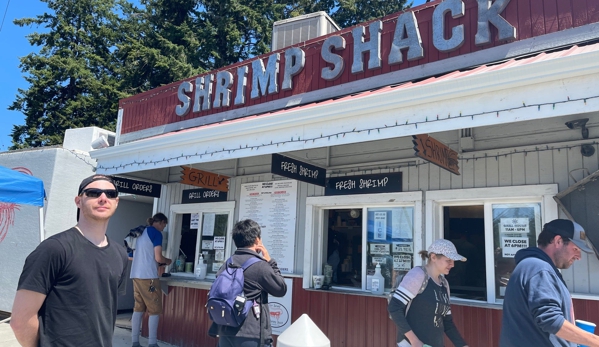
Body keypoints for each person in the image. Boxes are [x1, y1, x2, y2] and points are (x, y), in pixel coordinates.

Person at [10, 174, 128, 347]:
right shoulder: (54, 249)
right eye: (94, 193)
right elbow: (20, 320)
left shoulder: (120, 254)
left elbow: (101, 312)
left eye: (110, 194)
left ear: (116, 202)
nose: (103, 198)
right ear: (78, 201)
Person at [500, 219, 599, 347]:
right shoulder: (539, 268)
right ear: (558, 241)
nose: (579, 257)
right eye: (576, 248)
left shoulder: (536, 267)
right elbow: (551, 320)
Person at [209, 219, 287, 347]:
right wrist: (270, 261)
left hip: (225, 330)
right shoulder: (260, 266)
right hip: (251, 334)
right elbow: (281, 289)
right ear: (257, 240)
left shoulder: (227, 264)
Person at [388, 239, 469, 347]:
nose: (452, 264)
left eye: (453, 261)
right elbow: (394, 307)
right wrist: (414, 341)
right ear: (433, 257)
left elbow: (447, 322)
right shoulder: (418, 275)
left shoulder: (444, 284)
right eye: (448, 260)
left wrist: (462, 345)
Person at [130, 213, 172, 347]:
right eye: (164, 225)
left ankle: (135, 341)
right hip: (149, 278)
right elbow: (158, 258)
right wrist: (168, 261)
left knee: (138, 309)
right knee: (155, 309)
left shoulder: (140, 232)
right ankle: (152, 342)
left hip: (135, 275)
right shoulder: (156, 234)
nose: (164, 228)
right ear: (160, 222)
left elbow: (130, 256)